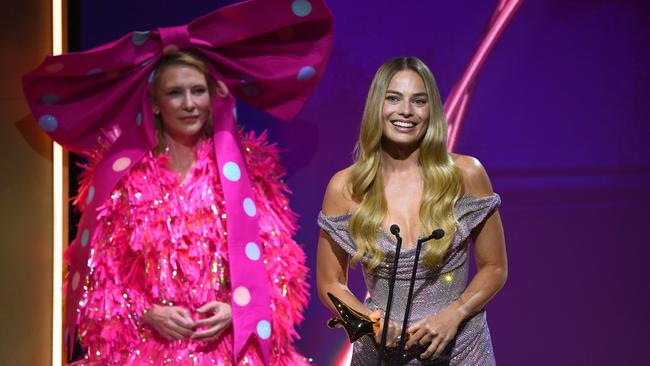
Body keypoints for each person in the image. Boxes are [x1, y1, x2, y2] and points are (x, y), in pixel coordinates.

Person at [22, 1, 333, 364]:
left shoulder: (251, 170)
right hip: (148, 351)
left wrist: (238, 310)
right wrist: (144, 312)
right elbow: (96, 277)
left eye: (197, 91)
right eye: (175, 93)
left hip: (231, 352)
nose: (189, 104)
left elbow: (283, 271)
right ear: (154, 104)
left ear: (213, 95)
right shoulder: (121, 177)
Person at [316, 57, 507, 365]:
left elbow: (495, 267)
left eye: (419, 101)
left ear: (431, 111)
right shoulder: (345, 187)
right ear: (376, 106)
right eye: (393, 98)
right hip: (380, 354)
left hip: (460, 350)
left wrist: (453, 315)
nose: (406, 111)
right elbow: (330, 283)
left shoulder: (466, 174)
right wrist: (368, 321)